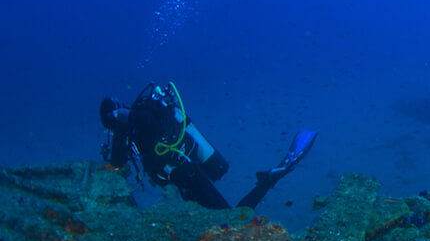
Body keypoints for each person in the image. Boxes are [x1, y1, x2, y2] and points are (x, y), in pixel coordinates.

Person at [99, 82, 317, 210]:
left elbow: (124, 154)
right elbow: (124, 158)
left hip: (186, 174)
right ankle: (268, 180)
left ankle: (268, 180)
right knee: (215, 220)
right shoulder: (137, 123)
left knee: (228, 220)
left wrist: (122, 120)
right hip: (181, 176)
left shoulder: (136, 118)